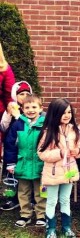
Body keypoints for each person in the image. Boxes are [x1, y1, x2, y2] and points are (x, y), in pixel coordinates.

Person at [38, 98, 80, 238]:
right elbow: (42, 153)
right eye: (63, 113)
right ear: (54, 114)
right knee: (52, 200)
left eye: (69, 112)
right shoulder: (48, 131)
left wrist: (78, 152)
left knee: (65, 199)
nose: (67, 115)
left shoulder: (74, 130)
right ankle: (50, 229)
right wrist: (60, 153)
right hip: (53, 173)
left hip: (68, 172)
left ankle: (66, 227)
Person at [4, 94, 46, 227]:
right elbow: (10, 145)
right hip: (22, 164)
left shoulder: (45, 125)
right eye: (27, 107)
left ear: (40, 108)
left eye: (34, 107)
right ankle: (25, 214)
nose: (30, 110)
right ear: (22, 109)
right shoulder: (18, 125)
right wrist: (11, 163)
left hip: (41, 164)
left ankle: (41, 214)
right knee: (23, 191)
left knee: (41, 191)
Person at [0, 81, 32, 211]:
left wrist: (19, 116)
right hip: (12, 148)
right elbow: (3, 127)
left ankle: (29, 199)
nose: (24, 96)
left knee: (26, 174)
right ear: (15, 96)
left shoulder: (31, 109)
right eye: (21, 94)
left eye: (27, 93)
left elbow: (30, 126)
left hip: (26, 148)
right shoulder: (11, 108)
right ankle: (12, 199)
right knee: (11, 173)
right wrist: (8, 114)